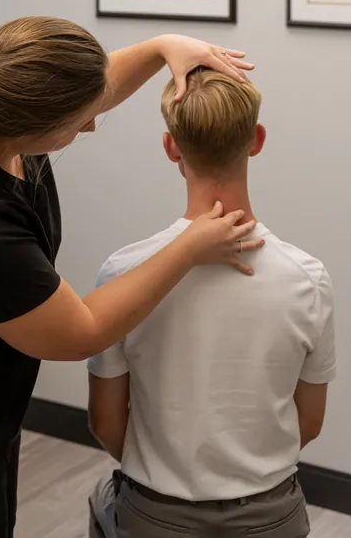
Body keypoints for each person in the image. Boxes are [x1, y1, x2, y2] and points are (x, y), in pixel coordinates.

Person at [0, 18, 261, 538]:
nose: (90, 127)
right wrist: (189, 247)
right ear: (35, 121)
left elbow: (89, 86)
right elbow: (82, 330)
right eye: (81, 119)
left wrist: (163, 47)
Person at [88, 69, 336, 538]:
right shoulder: (310, 279)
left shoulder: (123, 274)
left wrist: (168, 479)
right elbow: (310, 422)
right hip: (272, 517)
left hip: (155, 517)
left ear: (171, 147)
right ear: (256, 140)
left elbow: (104, 422)